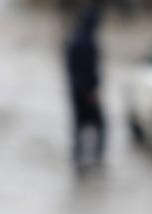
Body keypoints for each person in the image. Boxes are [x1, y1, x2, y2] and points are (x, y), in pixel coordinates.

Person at [65, 5, 106, 174]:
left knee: (79, 126)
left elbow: (70, 68)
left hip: (76, 90)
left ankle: (78, 159)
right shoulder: (87, 43)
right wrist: (91, 90)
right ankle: (96, 157)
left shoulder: (74, 40)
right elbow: (88, 70)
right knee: (99, 125)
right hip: (87, 92)